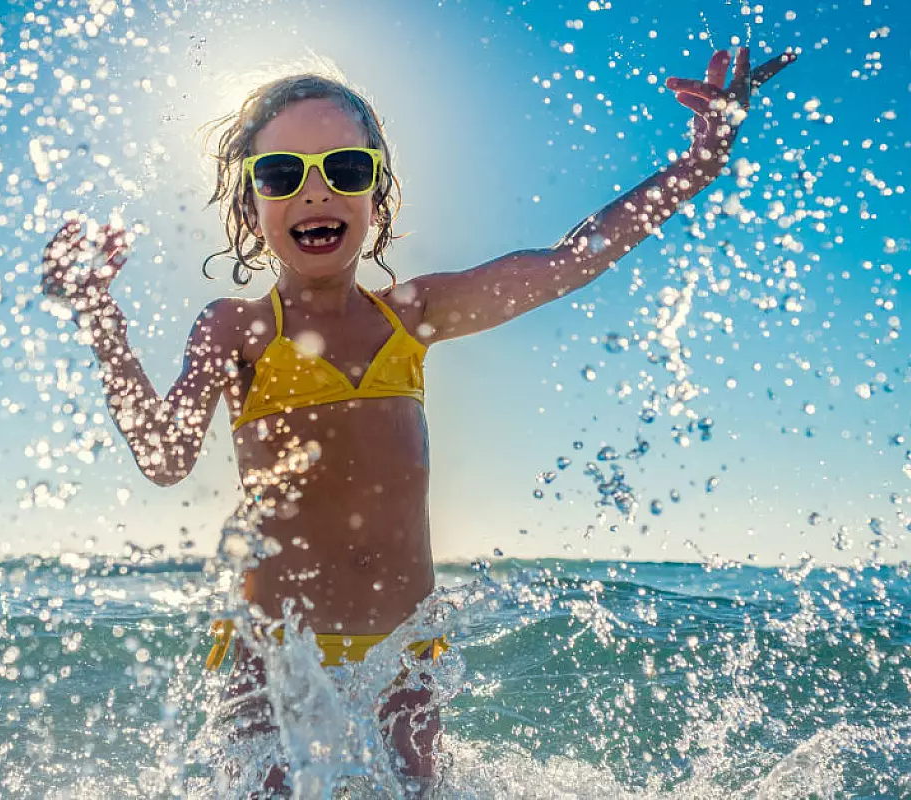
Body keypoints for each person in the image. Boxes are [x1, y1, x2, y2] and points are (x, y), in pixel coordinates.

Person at [41, 47, 795, 795]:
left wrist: (696, 168)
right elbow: (167, 454)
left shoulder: (412, 316)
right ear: (250, 204)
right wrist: (101, 317)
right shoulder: (237, 327)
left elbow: (570, 261)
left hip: (404, 656)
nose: (314, 193)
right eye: (280, 175)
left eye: (345, 170)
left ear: (378, 194)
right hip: (274, 660)